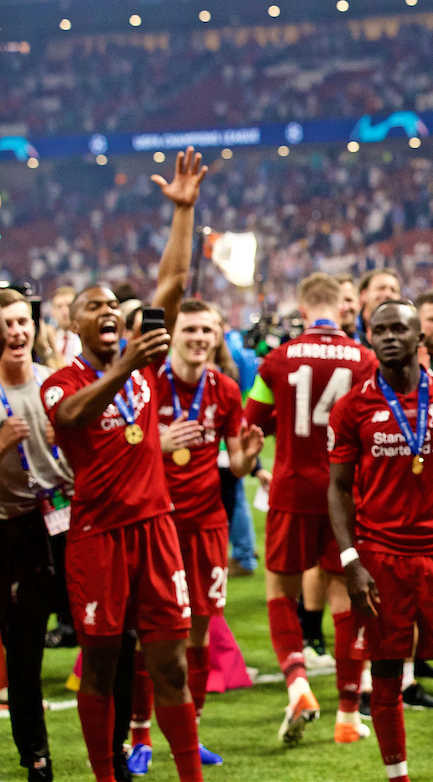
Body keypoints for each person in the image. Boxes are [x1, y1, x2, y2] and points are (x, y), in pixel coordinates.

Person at [40, 148, 208, 782]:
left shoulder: (144, 363)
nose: (108, 311)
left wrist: (184, 215)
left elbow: (172, 285)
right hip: (98, 537)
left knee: (168, 665)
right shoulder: (64, 380)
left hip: (156, 529)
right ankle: (105, 775)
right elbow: (72, 421)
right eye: (94, 307)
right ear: (72, 322)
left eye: (115, 305)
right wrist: (123, 367)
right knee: (103, 663)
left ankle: (190, 775)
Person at [328, 300, 433, 782]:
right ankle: (397, 776)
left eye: (398, 328)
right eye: (378, 330)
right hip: (380, 557)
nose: (388, 337)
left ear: (419, 336)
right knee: (385, 675)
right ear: (369, 337)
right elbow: (338, 488)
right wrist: (350, 559)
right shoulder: (353, 407)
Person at [125, 300, 264, 774]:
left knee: (202, 627)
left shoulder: (225, 389)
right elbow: (122, 449)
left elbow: (237, 467)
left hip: (207, 525)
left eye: (208, 329)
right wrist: (155, 444)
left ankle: (193, 730)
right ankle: (138, 737)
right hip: (157, 525)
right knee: (154, 635)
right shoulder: (147, 384)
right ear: (173, 334)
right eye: (190, 329)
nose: (199, 337)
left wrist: (247, 456)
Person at [243, 272, 378, 746]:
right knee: (345, 598)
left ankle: (298, 682)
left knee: (280, 588)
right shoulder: (365, 360)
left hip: (291, 489)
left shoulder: (276, 360)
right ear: (342, 307)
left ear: (302, 309)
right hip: (347, 493)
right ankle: (346, 716)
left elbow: (250, 422)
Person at [0, 287, 74, 781]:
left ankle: (119, 745)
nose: (18, 332)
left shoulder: (54, 383)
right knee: (24, 653)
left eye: (24, 321)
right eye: (7, 324)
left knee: (109, 635)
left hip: (67, 520)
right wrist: (0, 443)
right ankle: (36, 759)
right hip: (14, 529)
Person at [354, 270, 402, 347]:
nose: (387, 294)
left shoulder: (405, 334)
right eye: (381, 288)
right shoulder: (348, 330)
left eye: (393, 290)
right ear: (364, 295)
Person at [49, 287, 82, 366]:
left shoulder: (87, 339)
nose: (64, 311)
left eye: (68, 305)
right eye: (59, 306)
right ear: (52, 312)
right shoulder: (51, 340)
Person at [336, 273, 360, 338]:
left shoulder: (368, 341)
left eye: (348, 300)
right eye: (339, 301)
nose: (345, 307)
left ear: (358, 303)